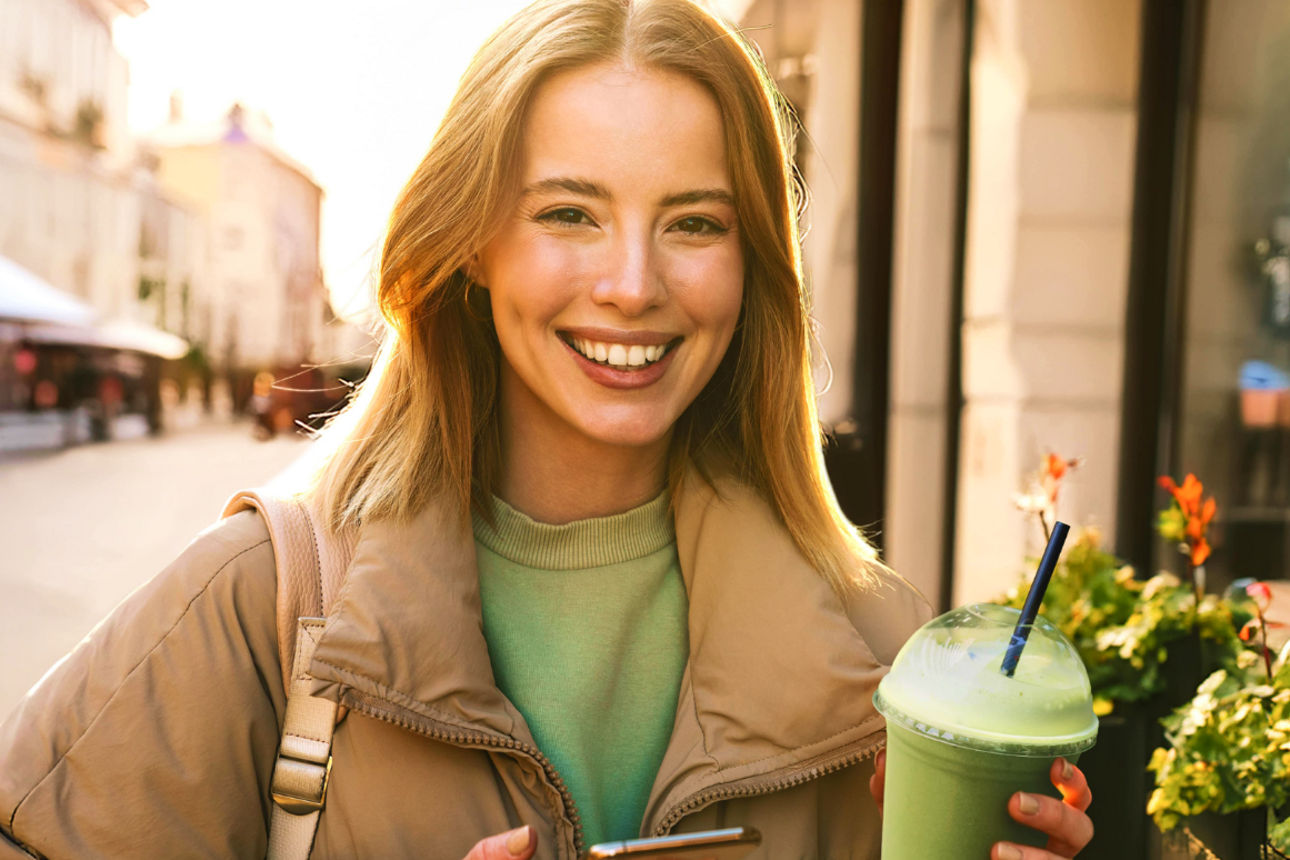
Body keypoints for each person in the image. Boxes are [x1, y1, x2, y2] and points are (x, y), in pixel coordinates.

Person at [0, 0, 1094, 857]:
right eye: (569, 212)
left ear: (754, 261)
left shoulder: (883, 658)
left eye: (695, 223)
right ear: (471, 239)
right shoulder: (262, 603)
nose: (631, 282)